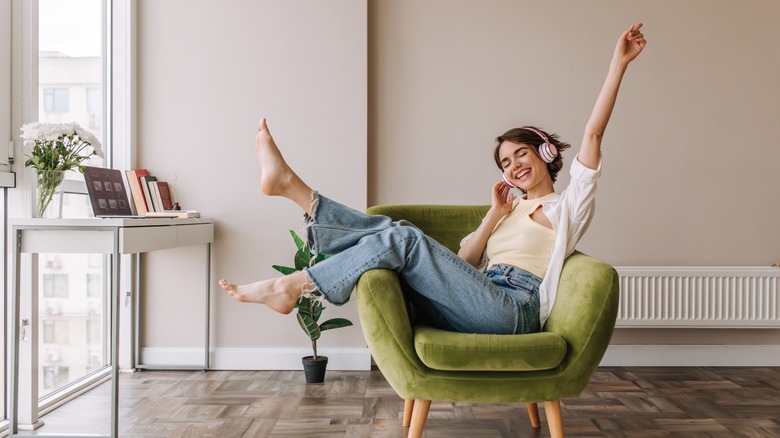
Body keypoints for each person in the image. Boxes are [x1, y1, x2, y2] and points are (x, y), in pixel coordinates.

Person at [220, 23, 646, 335]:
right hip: (477, 297)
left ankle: (293, 259)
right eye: (505, 161)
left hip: (514, 311)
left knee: (404, 238)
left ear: (546, 155)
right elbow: (461, 267)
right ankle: (295, 198)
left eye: (522, 153)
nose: (513, 165)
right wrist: (493, 216)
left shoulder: (566, 207)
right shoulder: (509, 208)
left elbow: (592, 134)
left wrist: (618, 64)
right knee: (402, 235)